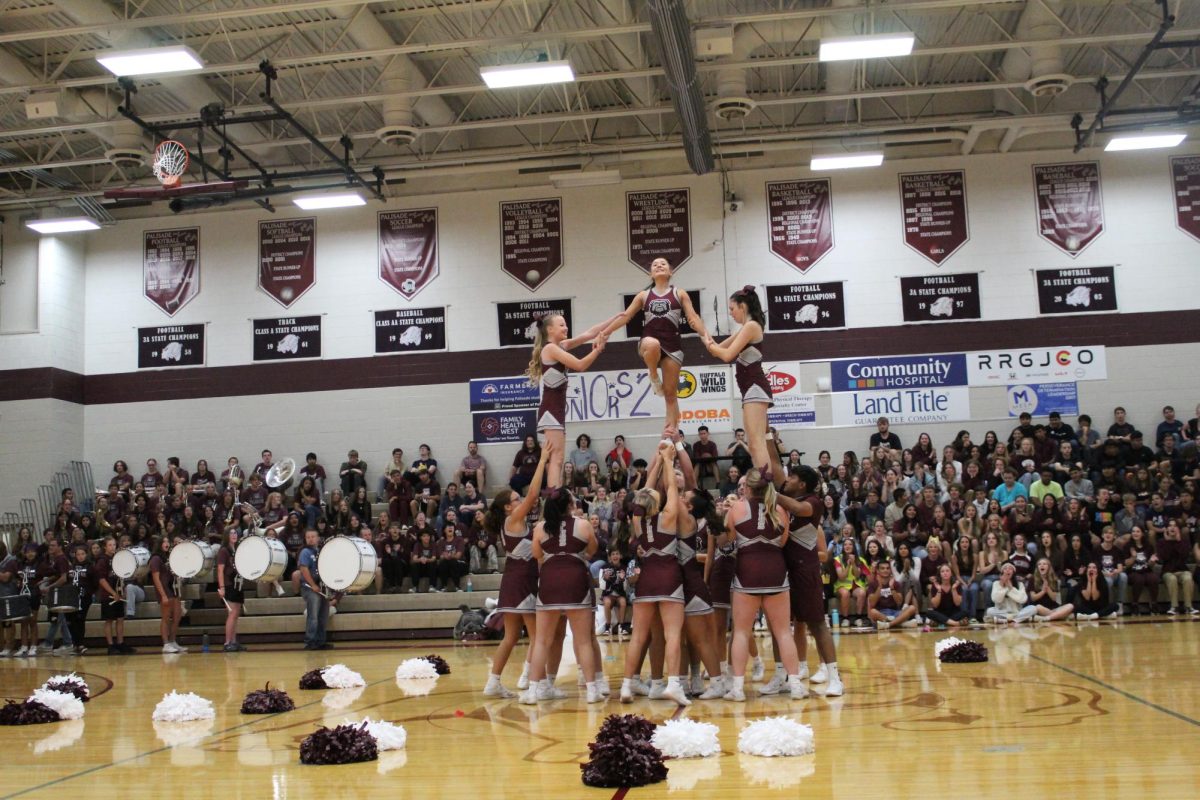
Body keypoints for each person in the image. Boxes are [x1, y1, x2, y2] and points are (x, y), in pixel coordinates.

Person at [718, 465, 805, 701]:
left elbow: (725, 543)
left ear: (748, 487)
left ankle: (737, 689)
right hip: (776, 573)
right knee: (784, 633)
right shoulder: (779, 510)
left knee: (741, 633)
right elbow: (783, 541)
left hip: (747, 573)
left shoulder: (736, 508)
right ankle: (796, 685)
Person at [620, 444, 692, 706]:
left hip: (646, 580)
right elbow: (672, 488)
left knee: (638, 636)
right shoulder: (668, 517)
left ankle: (626, 686)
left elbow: (642, 495)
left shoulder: (638, 523)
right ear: (657, 502)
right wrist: (668, 459)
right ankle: (674, 684)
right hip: (669, 577)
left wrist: (658, 461)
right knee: (672, 634)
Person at [769, 443, 843, 697]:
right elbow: (775, 466)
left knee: (817, 624)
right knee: (779, 626)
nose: (786, 480)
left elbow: (798, 509)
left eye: (792, 478)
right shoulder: (788, 493)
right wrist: (767, 435)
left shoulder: (814, 502)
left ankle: (834, 676)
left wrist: (768, 491)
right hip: (781, 569)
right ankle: (783, 674)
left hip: (805, 569)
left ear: (801, 484)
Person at [602, 257, 708, 431]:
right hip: (649, 341)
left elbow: (693, 317)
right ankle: (653, 375)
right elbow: (625, 317)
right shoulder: (644, 295)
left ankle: (672, 433)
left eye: (663, 264)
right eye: (655, 265)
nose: (659, 266)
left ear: (670, 272)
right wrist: (605, 332)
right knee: (652, 344)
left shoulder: (679, 293)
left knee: (670, 395)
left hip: (673, 345)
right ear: (651, 273)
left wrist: (706, 337)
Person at [483, 443, 553, 698]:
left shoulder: (512, 521)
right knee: (537, 636)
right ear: (507, 507)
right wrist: (543, 459)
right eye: (515, 499)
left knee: (511, 637)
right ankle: (536, 684)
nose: (520, 499)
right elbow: (534, 494)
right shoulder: (513, 520)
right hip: (521, 581)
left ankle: (493, 683)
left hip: (512, 580)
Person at [521, 487, 602, 705]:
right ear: (569, 505)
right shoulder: (583, 525)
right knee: (583, 640)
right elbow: (592, 550)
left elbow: (537, 555)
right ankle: (593, 690)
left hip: (550, 581)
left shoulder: (539, 528)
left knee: (542, 641)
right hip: (575, 580)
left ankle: (532, 691)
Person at [527, 312, 610, 487]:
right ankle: (553, 497)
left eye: (565, 324)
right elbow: (580, 365)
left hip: (556, 410)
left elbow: (588, 334)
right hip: (550, 411)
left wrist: (616, 319)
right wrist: (598, 350)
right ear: (550, 329)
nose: (566, 328)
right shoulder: (550, 349)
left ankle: (555, 494)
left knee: (558, 458)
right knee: (556, 460)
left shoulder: (560, 346)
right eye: (562, 325)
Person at [702, 285, 773, 474]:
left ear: (743, 306)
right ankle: (765, 483)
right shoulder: (745, 328)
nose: (731, 314)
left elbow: (726, 356)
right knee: (756, 442)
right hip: (750, 389)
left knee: (757, 443)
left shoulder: (751, 326)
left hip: (755, 387)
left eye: (732, 309)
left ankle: (766, 485)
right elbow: (717, 349)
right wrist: (702, 332)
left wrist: (713, 346)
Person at [92, 537, 132, 655]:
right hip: (107, 595)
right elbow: (101, 580)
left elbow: (121, 576)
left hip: (118, 593)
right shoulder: (102, 560)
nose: (112, 547)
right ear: (105, 547)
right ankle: (110, 645)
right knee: (109, 620)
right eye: (110, 545)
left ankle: (120, 643)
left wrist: (122, 590)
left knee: (120, 618)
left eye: (114, 545)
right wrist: (113, 593)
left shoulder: (117, 558)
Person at [298, 528, 334, 649]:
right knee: (313, 615)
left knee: (323, 615)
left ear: (318, 538)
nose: (310, 539)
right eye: (308, 537)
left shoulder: (321, 551)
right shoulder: (305, 552)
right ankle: (310, 641)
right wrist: (313, 584)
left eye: (313, 536)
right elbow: (304, 569)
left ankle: (320, 641)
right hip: (310, 587)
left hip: (322, 587)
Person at [149, 536, 185, 653]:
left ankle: (173, 641)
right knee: (166, 617)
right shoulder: (155, 559)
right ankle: (165, 644)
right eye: (164, 541)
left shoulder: (168, 557)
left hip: (172, 589)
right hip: (164, 590)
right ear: (159, 544)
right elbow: (156, 578)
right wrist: (163, 595)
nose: (166, 543)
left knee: (177, 615)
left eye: (167, 541)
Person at [40, 538, 73, 654]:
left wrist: (49, 587)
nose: (51, 548)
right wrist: (45, 581)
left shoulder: (61, 559)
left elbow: (63, 578)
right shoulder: (58, 559)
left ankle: (66, 643)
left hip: (62, 592)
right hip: (58, 591)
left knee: (59, 617)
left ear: (59, 547)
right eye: (50, 546)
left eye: (53, 545)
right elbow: (57, 575)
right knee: (58, 617)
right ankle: (50, 642)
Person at [1157, 519, 1196, 615]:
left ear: (1178, 529)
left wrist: (1178, 542)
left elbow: (1184, 556)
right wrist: (1168, 542)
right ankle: (1174, 607)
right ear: (1166, 529)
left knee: (1188, 577)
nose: (1172, 527)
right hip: (1168, 571)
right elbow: (1164, 557)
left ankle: (1188, 606)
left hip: (1182, 569)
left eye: (1175, 526)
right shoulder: (1161, 542)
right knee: (1172, 578)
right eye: (1170, 526)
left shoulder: (1184, 541)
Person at [217, 528, 246, 651]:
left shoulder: (237, 549)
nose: (234, 535)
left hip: (238, 584)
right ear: (226, 536)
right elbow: (220, 570)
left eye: (235, 533)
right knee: (232, 614)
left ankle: (234, 642)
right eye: (231, 533)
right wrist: (222, 587)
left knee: (236, 615)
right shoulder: (224, 551)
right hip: (229, 585)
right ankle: (227, 642)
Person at [867, 560, 919, 629]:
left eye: (887, 568)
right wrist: (879, 587)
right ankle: (900, 623)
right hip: (881, 613)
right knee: (873, 612)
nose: (885, 570)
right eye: (882, 568)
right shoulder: (872, 584)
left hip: (895, 613)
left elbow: (899, 602)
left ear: (890, 570)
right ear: (878, 571)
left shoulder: (896, 583)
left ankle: (889, 624)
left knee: (912, 608)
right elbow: (872, 603)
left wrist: (892, 588)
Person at [599, 549, 630, 636]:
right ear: (610, 557)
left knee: (623, 602)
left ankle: (622, 626)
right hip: (608, 594)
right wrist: (605, 579)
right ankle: (608, 626)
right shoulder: (604, 568)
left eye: (617, 554)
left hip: (620, 593)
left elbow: (625, 587)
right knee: (607, 602)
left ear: (620, 556)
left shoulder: (624, 568)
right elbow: (601, 586)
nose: (615, 556)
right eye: (613, 554)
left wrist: (622, 579)